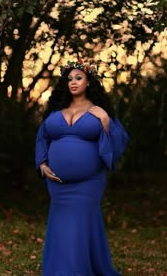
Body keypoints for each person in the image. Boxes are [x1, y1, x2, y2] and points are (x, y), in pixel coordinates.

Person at [35, 58, 129, 276]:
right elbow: (42, 137)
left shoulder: (99, 111)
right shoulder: (56, 110)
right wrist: (42, 163)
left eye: (78, 78)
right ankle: (58, 270)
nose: (73, 82)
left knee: (79, 224)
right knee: (60, 224)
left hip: (89, 183)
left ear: (89, 82)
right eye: (69, 79)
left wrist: (105, 121)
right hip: (57, 184)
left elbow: (120, 140)